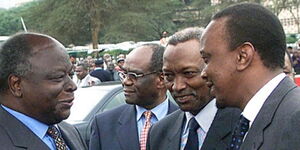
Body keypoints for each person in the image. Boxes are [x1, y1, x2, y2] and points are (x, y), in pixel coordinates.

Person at [200, 3, 300, 150]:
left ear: (242, 56)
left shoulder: (295, 120)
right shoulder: (247, 121)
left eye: (207, 59)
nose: (203, 73)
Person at [147, 27, 240, 150]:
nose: (177, 86)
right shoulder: (158, 133)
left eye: (188, 73)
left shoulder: (242, 126)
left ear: (210, 70)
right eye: (169, 76)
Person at [0, 32, 87, 150]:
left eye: (70, 75)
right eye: (58, 77)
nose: (72, 86)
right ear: (16, 85)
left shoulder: (68, 132)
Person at [89, 44, 178, 150]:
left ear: (161, 79)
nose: (126, 81)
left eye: (134, 75)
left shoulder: (187, 122)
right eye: (124, 74)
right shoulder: (104, 124)